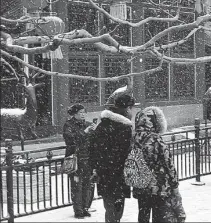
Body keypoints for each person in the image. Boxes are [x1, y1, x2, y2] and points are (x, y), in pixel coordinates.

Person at [132, 106, 186, 223]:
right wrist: (174, 184)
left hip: (141, 184)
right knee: (159, 215)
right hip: (158, 185)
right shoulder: (156, 139)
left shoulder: (134, 139)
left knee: (143, 214)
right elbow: (168, 164)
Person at [89, 92, 136, 223]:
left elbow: (93, 150)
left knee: (109, 207)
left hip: (104, 174)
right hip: (118, 174)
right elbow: (124, 153)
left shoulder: (102, 125)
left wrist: (97, 168)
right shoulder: (124, 128)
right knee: (116, 209)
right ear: (127, 109)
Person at [63, 104, 96, 219]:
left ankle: (85, 208)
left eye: (83, 112)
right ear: (74, 114)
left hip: (87, 159)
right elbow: (71, 140)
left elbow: (93, 142)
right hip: (75, 160)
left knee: (87, 185)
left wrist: (94, 131)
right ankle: (78, 210)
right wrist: (85, 133)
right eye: (80, 112)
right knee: (77, 186)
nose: (83, 114)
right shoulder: (68, 125)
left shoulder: (87, 124)